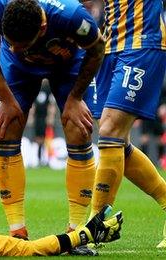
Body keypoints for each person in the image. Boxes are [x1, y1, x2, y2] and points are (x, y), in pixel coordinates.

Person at [0, 0, 104, 239]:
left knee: (79, 128)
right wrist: (6, 98)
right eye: (9, 43)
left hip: (68, 65)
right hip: (18, 70)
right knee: (5, 127)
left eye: (20, 45)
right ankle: (17, 230)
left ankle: (75, 231)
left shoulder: (72, 15)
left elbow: (97, 48)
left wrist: (75, 98)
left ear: (43, 28)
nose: (13, 48)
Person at [84, 0, 166, 248]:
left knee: (110, 130)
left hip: (143, 40)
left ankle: (93, 226)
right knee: (117, 139)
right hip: (110, 43)